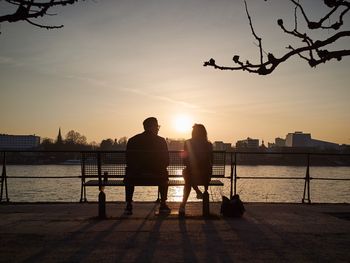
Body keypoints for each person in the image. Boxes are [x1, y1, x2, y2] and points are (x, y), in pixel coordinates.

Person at [124, 117, 170, 215]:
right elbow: (167, 161)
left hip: (135, 177)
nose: (158, 129)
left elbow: (128, 161)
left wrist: (138, 169)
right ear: (153, 127)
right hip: (157, 176)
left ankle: (129, 204)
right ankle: (163, 203)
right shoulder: (161, 141)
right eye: (157, 126)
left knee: (129, 173)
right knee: (164, 174)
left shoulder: (133, 140)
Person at [179, 124, 213, 216]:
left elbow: (185, 161)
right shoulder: (208, 144)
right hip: (205, 175)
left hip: (191, 174)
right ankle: (199, 191)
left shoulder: (187, 143)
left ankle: (183, 205)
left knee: (187, 175)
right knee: (189, 174)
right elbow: (211, 160)